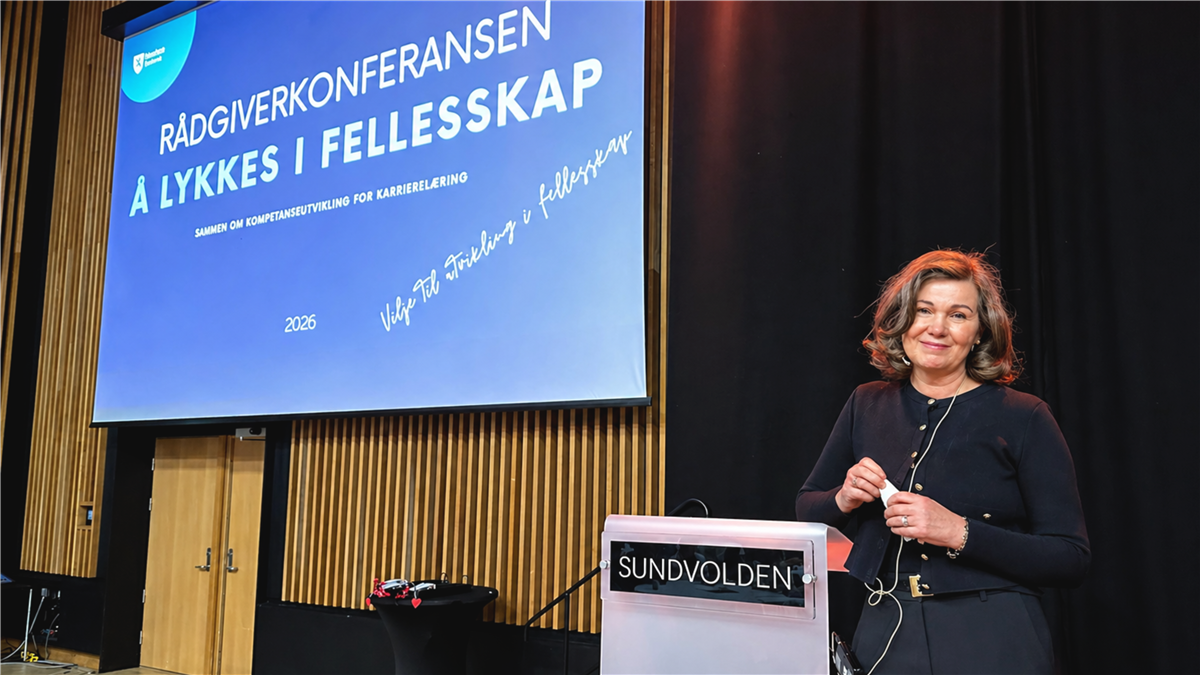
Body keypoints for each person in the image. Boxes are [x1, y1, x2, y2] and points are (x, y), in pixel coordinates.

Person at [795, 249, 1089, 674]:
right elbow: (807, 510)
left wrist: (958, 531)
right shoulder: (866, 403)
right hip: (884, 631)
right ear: (903, 320)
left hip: (992, 636)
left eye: (958, 315)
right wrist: (844, 497)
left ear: (980, 332)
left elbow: (1070, 558)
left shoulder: (1025, 416)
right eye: (924, 310)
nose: (937, 327)